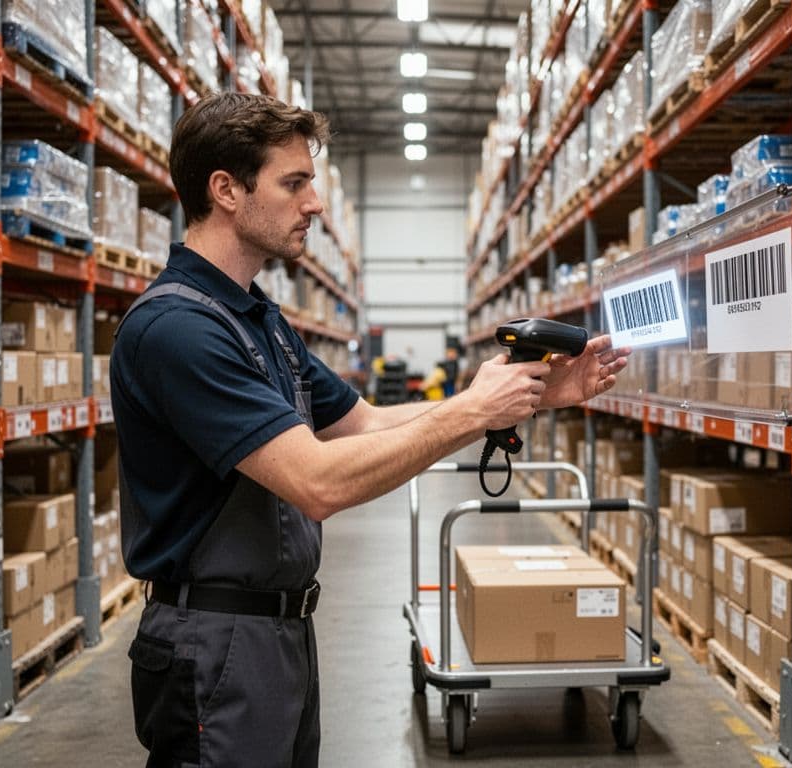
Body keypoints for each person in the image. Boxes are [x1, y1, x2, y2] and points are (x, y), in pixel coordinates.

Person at [110, 92, 630, 768]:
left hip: (279, 632)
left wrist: (525, 396)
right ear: (226, 191)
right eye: (293, 183)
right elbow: (316, 482)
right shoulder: (180, 329)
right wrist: (472, 412)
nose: (315, 203)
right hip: (214, 642)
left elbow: (367, 423)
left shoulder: (260, 321)